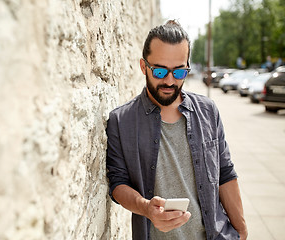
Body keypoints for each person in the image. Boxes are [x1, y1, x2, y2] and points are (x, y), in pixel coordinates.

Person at [106, 20, 248, 240]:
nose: (170, 81)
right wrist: (146, 208)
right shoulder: (121, 121)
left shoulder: (208, 110)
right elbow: (118, 183)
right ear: (144, 67)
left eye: (179, 72)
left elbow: (225, 172)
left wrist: (241, 231)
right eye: (160, 71)